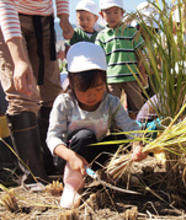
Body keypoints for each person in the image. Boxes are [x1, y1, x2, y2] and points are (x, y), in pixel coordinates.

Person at [46, 42, 147, 208]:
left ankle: (112, 173)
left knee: (120, 138)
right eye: (84, 90)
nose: (92, 95)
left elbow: (130, 127)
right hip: (70, 157)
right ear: (71, 82)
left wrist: (137, 145)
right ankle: (73, 185)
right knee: (85, 136)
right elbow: (53, 137)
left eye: (98, 88)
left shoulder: (110, 102)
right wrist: (71, 156)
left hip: (95, 152)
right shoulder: (64, 102)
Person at [0, 0, 74, 186]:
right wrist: (19, 60)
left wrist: (63, 17)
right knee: (22, 93)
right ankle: (33, 175)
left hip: (44, 20)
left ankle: (52, 163)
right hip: (9, 17)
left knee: (52, 92)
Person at [96, 0, 146, 120]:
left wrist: (143, 74)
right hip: (112, 79)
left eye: (115, 12)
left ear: (122, 13)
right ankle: (116, 131)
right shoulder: (101, 36)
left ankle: (140, 130)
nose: (112, 16)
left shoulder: (131, 32)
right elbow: (99, 59)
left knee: (137, 105)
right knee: (113, 107)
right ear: (101, 14)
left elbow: (141, 55)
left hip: (132, 77)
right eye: (108, 13)